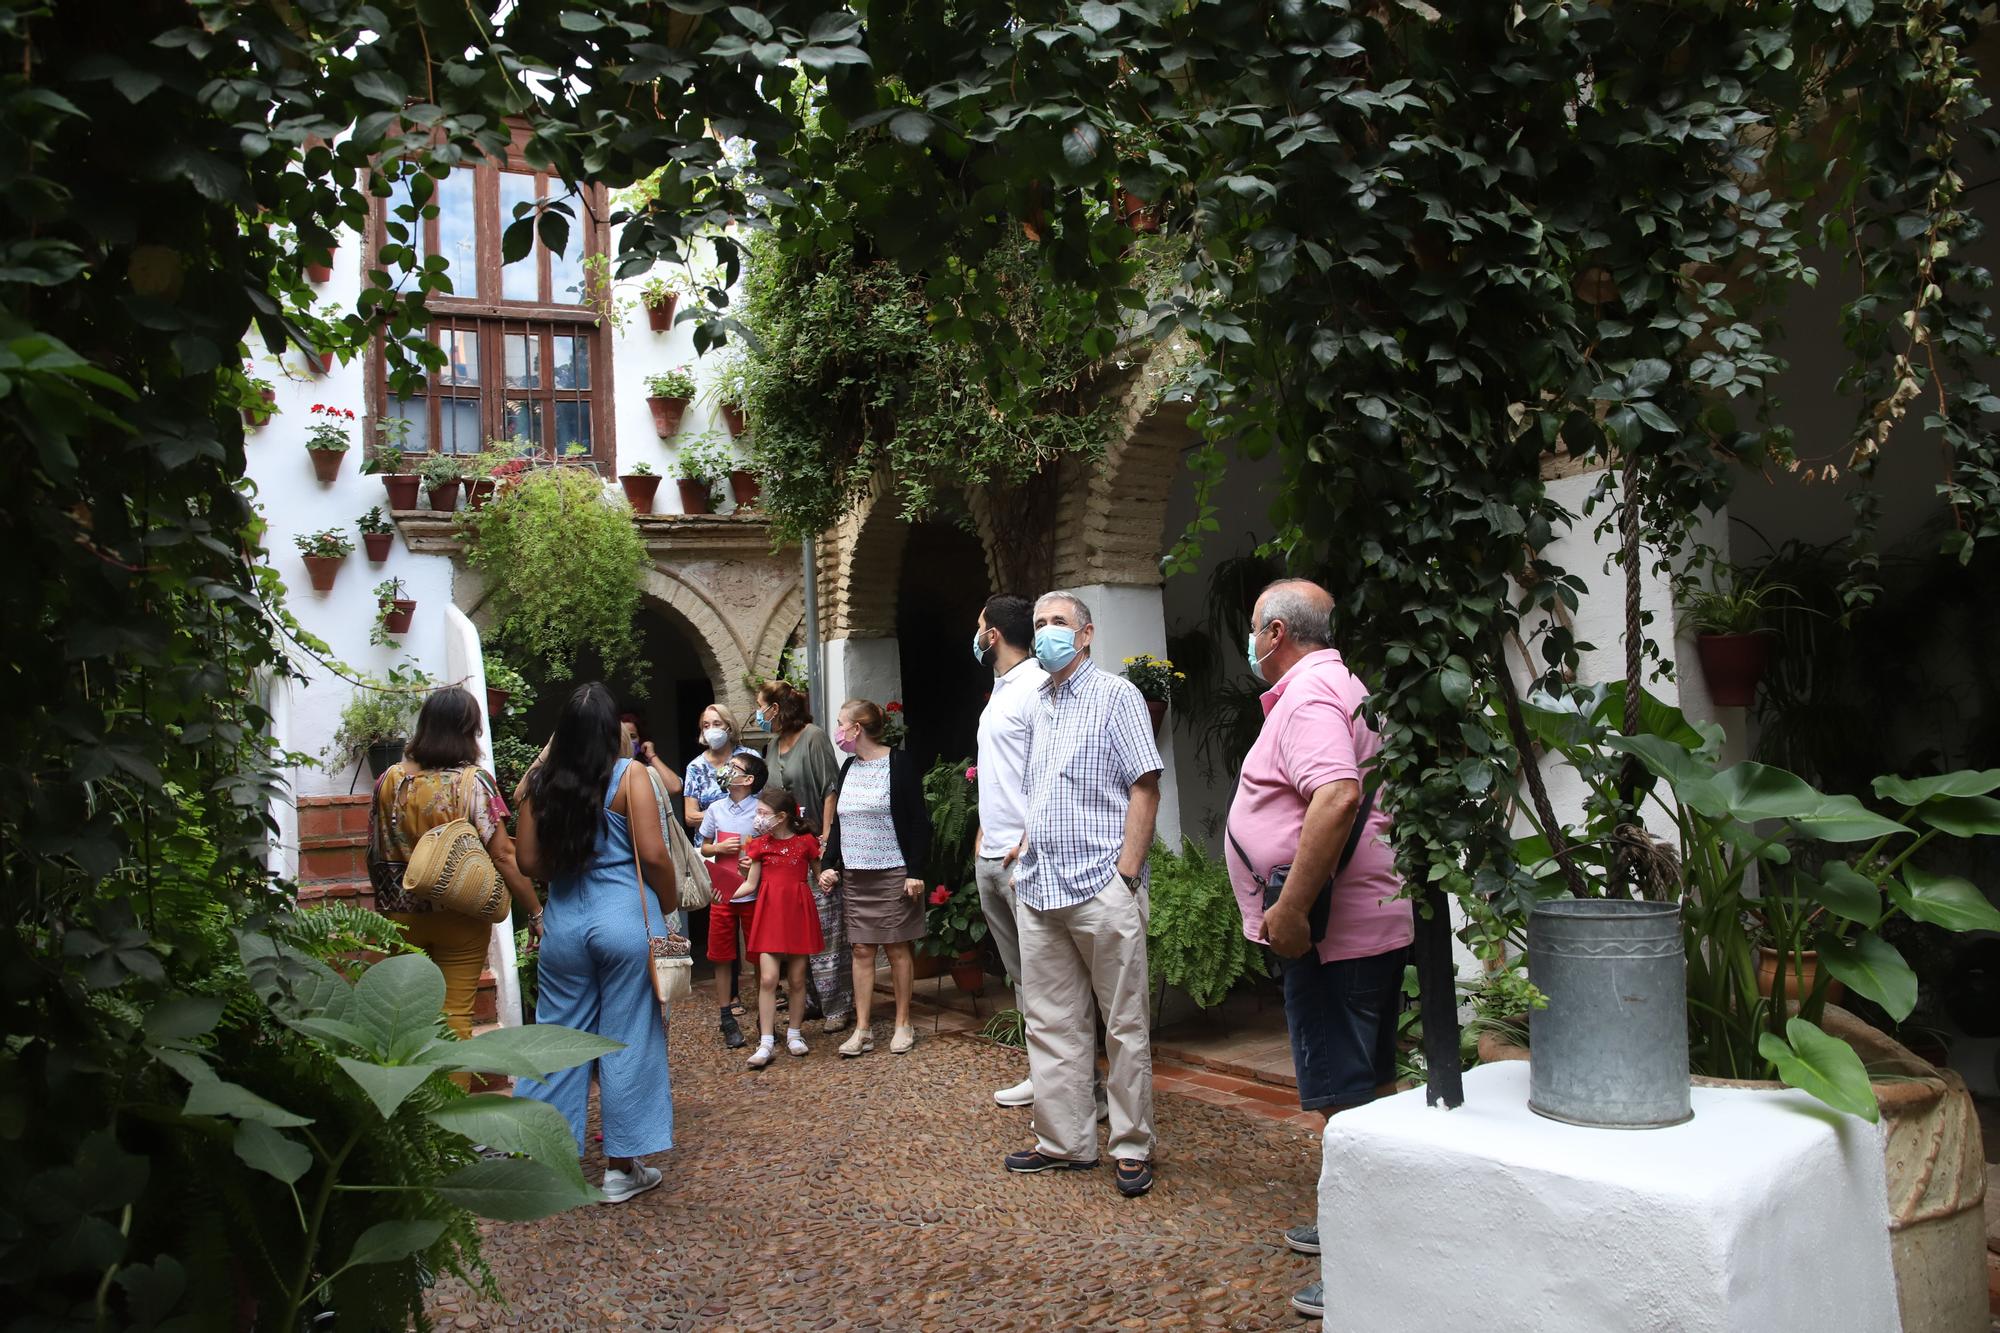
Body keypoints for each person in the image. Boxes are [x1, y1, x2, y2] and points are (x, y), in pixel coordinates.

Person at [1224, 579, 1414, 1321]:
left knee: (1345, 1098)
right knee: (1358, 1086)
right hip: (1353, 929)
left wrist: (1294, 907)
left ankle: (1361, 1263)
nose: (1250, 643)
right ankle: (1351, 1219)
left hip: (1333, 935)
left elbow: (1334, 794)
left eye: (1251, 629)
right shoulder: (1336, 686)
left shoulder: (1307, 697)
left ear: (1274, 632)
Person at [1004, 591, 1164, 1199]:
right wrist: (1025, 848)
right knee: (1051, 1023)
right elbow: (1040, 790)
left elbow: (1144, 786)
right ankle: (1065, 1142)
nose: (1046, 633)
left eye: (1058, 623)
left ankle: (1131, 1145)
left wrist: (1125, 874)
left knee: (1123, 1026)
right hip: (1042, 886)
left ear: (1087, 634)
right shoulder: (1037, 703)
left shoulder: (1117, 696)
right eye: (1039, 623)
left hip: (1101, 884)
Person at [512, 682, 678, 1204]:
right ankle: (619, 1170)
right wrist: (669, 902)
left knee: (557, 1040)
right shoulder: (631, 776)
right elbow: (652, 854)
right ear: (612, 732)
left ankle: (546, 1160)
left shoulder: (540, 783)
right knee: (628, 1037)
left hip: (564, 925)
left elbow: (528, 863)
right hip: (625, 922)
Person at [365, 687, 543, 1074]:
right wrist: (535, 910)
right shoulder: (473, 782)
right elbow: (503, 854)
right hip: (461, 916)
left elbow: (374, 850)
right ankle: (451, 1127)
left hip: (401, 916)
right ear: (470, 729)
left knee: (405, 1021)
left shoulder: (388, 781)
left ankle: (409, 1120)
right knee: (454, 1018)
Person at [818, 699, 933, 1057]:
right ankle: (863, 1029)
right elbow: (839, 822)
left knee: (898, 947)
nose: (837, 730)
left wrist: (915, 871)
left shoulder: (898, 763)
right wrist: (828, 863)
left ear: (857, 729)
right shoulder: (849, 766)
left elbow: (918, 820)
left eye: (841, 723)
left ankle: (903, 1022)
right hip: (856, 874)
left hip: (893, 871)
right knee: (862, 949)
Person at [970, 594, 1046, 1106]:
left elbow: (1052, 769)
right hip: (992, 856)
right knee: (1023, 979)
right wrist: (982, 834)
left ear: (992, 634)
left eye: (979, 627)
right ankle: (1045, 1078)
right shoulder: (1000, 688)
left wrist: (1027, 839)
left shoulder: (1038, 686)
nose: (975, 636)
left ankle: (1083, 1087)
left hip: (1026, 860)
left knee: (1050, 980)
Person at [756, 679, 851, 1034]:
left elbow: (830, 787)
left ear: (775, 709)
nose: (759, 714)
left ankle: (837, 1005)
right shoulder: (772, 744)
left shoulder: (813, 737)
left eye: (760, 706)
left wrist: (826, 838)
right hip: (785, 849)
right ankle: (808, 999)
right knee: (798, 928)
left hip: (814, 843)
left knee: (825, 928)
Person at [740, 785, 825, 1069]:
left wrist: (828, 878)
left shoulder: (806, 842)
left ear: (782, 816)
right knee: (768, 978)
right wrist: (726, 892)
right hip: (769, 911)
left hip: (798, 910)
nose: (758, 817)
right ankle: (765, 1041)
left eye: (764, 813)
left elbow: (819, 874)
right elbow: (750, 883)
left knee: (798, 979)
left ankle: (795, 1034)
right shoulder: (759, 844)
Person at [699, 753, 767, 1049]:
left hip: (755, 893)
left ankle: (764, 1019)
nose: (726, 771)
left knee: (759, 956)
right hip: (722, 892)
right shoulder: (715, 809)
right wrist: (718, 846)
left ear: (749, 780)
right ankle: (726, 1016)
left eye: (734, 768)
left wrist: (752, 858)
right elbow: (703, 847)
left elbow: (767, 846)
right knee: (722, 955)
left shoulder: (761, 810)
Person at [682, 702, 758, 830]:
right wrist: (728, 813)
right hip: (709, 845)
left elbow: (764, 801)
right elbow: (690, 817)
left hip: (748, 839)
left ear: (729, 727)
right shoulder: (695, 767)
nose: (711, 729)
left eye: (717, 724)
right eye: (706, 726)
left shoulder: (750, 757)